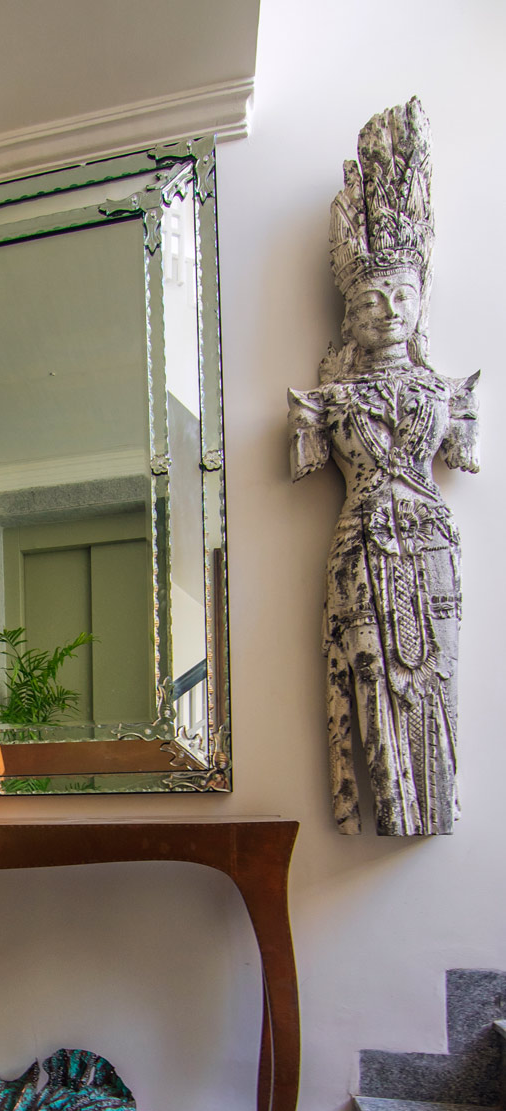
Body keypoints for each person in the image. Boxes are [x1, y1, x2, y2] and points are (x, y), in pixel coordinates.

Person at [289, 98, 479, 835]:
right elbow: (306, 462)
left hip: (430, 544)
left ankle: (438, 803)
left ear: (420, 301)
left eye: (402, 295)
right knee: (370, 677)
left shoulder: (447, 392)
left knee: (437, 676)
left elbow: (462, 455)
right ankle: (390, 806)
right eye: (372, 297)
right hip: (361, 548)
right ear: (350, 309)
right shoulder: (326, 399)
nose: (389, 310)